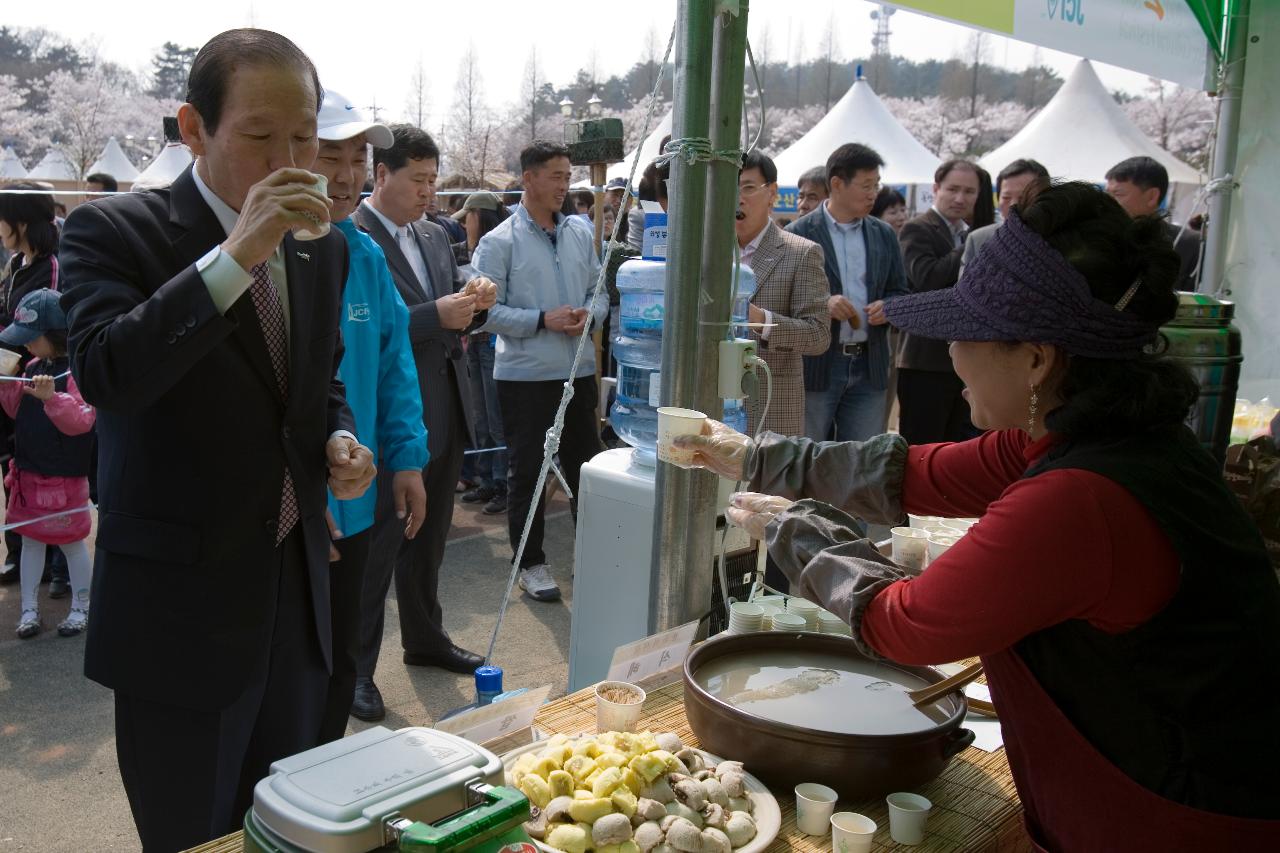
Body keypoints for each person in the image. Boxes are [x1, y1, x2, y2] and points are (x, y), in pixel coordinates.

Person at [678, 183, 1280, 850]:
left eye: (966, 332)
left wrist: (794, 527)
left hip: (1174, 820)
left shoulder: (1081, 499)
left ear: (1036, 358)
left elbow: (902, 622)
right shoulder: (1103, 438)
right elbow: (911, 471)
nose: (950, 353)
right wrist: (756, 455)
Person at [59, 29, 376, 851]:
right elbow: (106, 374)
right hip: (180, 618)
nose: (291, 158)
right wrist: (238, 252)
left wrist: (337, 440)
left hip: (295, 591)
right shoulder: (113, 232)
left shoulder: (326, 247)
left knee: (296, 826)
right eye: (261, 136)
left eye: (304, 135)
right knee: (191, 833)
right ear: (192, 128)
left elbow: (315, 382)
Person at [352, 124, 494, 720]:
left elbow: (451, 320)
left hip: (445, 402)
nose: (429, 192)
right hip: (387, 414)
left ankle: (425, 637)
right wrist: (436, 314)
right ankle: (356, 669)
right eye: (418, 180)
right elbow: (366, 330)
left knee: (428, 538)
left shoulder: (435, 236)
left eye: (434, 180)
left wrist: (473, 306)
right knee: (377, 547)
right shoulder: (350, 239)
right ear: (380, 174)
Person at [310, 90, 429, 741]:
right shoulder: (259, 255)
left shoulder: (364, 255)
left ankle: (353, 682)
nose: (348, 174)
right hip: (290, 505)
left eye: (358, 157)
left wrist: (408, 455)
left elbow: (394, 363)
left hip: (363, 487)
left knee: (354, 616)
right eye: (331, 154)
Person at [472, 140, 606, 603]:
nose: (564, 185)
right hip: (524, 377)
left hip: (577, 370)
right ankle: (529, 564)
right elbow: (482, 312)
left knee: (587, 469)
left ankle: (591, 558)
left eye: (568, 176)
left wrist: (592, 314)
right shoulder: (498, 241)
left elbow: (598, 288)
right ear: (528, 178)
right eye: (555, 175)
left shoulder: (579, 231)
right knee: (527, 471)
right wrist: (540, 319)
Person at [786, 143, 908, 443]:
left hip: (870, 364)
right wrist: (822, 304)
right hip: (818, 366)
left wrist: (888, 307)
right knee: (806, 452)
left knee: (862, 458)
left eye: (876, 185)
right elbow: (782, 297)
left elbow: (899, 290)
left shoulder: (883, 234)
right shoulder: (799, 233)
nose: (873, 194)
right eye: (866, 185)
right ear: (837, 184)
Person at [0, 289, 95, 638]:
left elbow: (83, 421)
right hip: (28, 476)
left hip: (64, 479)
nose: (25, 346)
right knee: (30, 541)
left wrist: (52, 398)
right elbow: (17, 412)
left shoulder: (74, 371)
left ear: (53, 334)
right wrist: (7, 386)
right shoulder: (32, 367)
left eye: (31, 338)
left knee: (71, 542)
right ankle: (28, 610)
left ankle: (81, 608)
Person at [734, 150, 830, 436]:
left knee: (764, 483)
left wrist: (759, 319)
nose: (737, 198)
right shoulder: (706, 251)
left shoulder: (801, 253)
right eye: (728, 187)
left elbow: (818, 335)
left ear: (772, 193)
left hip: (769, 409)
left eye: (748, 188)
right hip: (709, 405)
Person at [0, 184, 64, 588]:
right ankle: (20, 553)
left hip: (36, 383)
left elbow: (50, 331)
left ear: (20, 221)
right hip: (11, 379)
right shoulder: (16, 264)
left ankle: (55, 559)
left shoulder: (53, 268)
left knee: (45, 470)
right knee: (15, 468)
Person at [895, 159, 981, 445]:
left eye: (969, 192)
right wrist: (969, 245)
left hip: (964, 361)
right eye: (953, 189)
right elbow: (926, 278)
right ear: (936, 188)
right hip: (924, 359)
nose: (960, 198)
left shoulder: (967, 232)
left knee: (956, 445)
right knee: (922, 446)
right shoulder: (917, 228)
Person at [454, 191, 511, 515]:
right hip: (473, 342)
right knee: (479, 417)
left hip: (490, 341)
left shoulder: (495, 249)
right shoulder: (470, 250)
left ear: (480, 216)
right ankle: (486, 477)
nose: (465, 223)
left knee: (495, 418)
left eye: (469, 216)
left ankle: (502, 481)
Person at [1105, 155, 1201, 291]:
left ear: (1152, 196)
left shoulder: (1188, 244)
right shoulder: (1098, 239)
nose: (1108, 202)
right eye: (1107, 194)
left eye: (1118, 194)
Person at [962, 159, 1049, 270]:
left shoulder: (1069, 240)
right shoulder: (978, 240)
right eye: (1006, 198)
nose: (1013, 205)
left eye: (1023, 198)